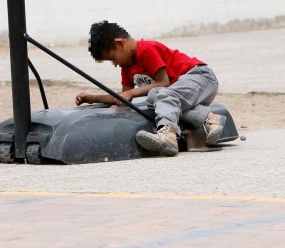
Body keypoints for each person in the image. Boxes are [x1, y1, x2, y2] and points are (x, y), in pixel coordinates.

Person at [75, 20, 226, 156]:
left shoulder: (147, 49)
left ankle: (168, 134)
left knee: (160, 95)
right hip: (179, 93)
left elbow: (163, 82)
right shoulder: (127, 68)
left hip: (200, 77)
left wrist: (133, 91)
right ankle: (210, 119)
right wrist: (92, 98)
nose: (115, 64)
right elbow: (123, 97)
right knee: (157, 99)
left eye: (113, 58)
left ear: (119, 43)